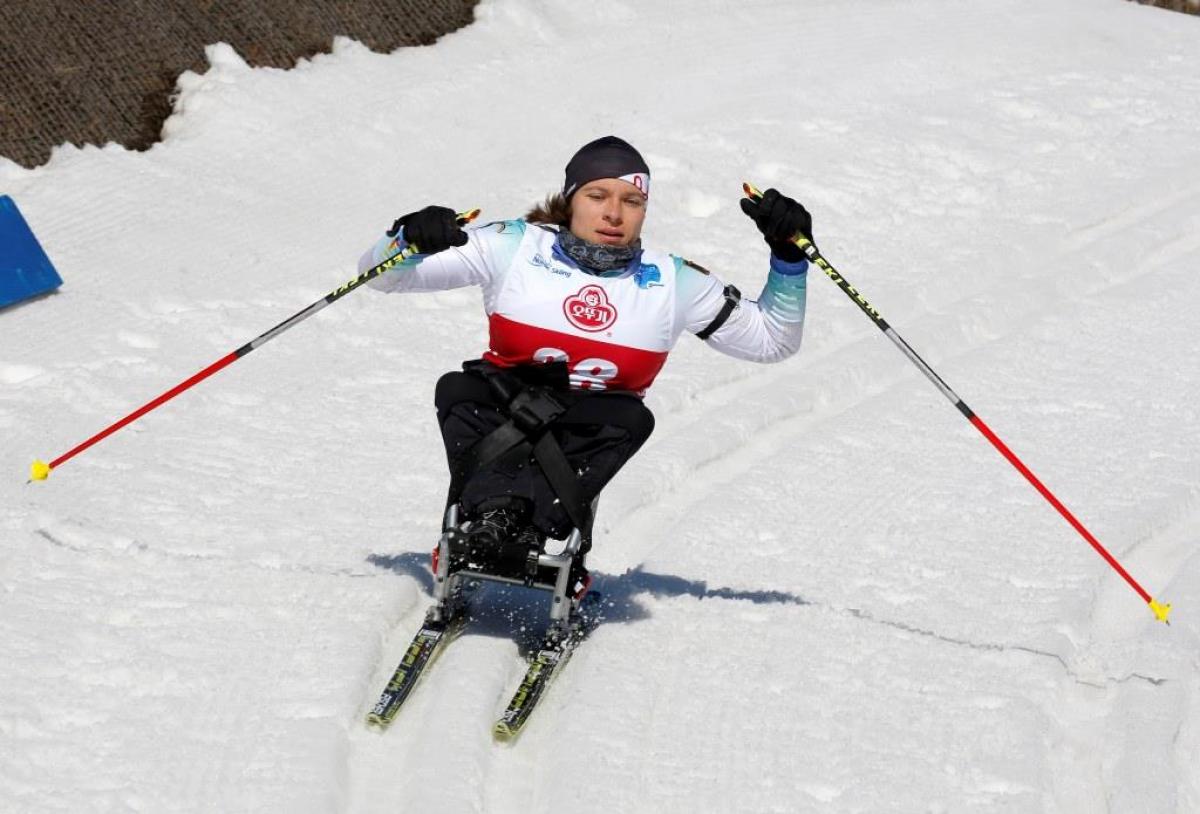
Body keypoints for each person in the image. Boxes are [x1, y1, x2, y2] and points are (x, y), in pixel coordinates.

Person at [360, 136, 812, 589]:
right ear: (570, 200)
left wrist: (788, 259)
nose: (614, 213)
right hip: (500, 410)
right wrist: (408, 240)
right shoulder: (513, 245)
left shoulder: (674, 280)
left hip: (591, 429)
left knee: (631, 417)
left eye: (632, 201)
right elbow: (381, 278)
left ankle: (521, 524)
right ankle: (494, 516)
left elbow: (771, 342)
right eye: (597, 196)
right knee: (457, 388)